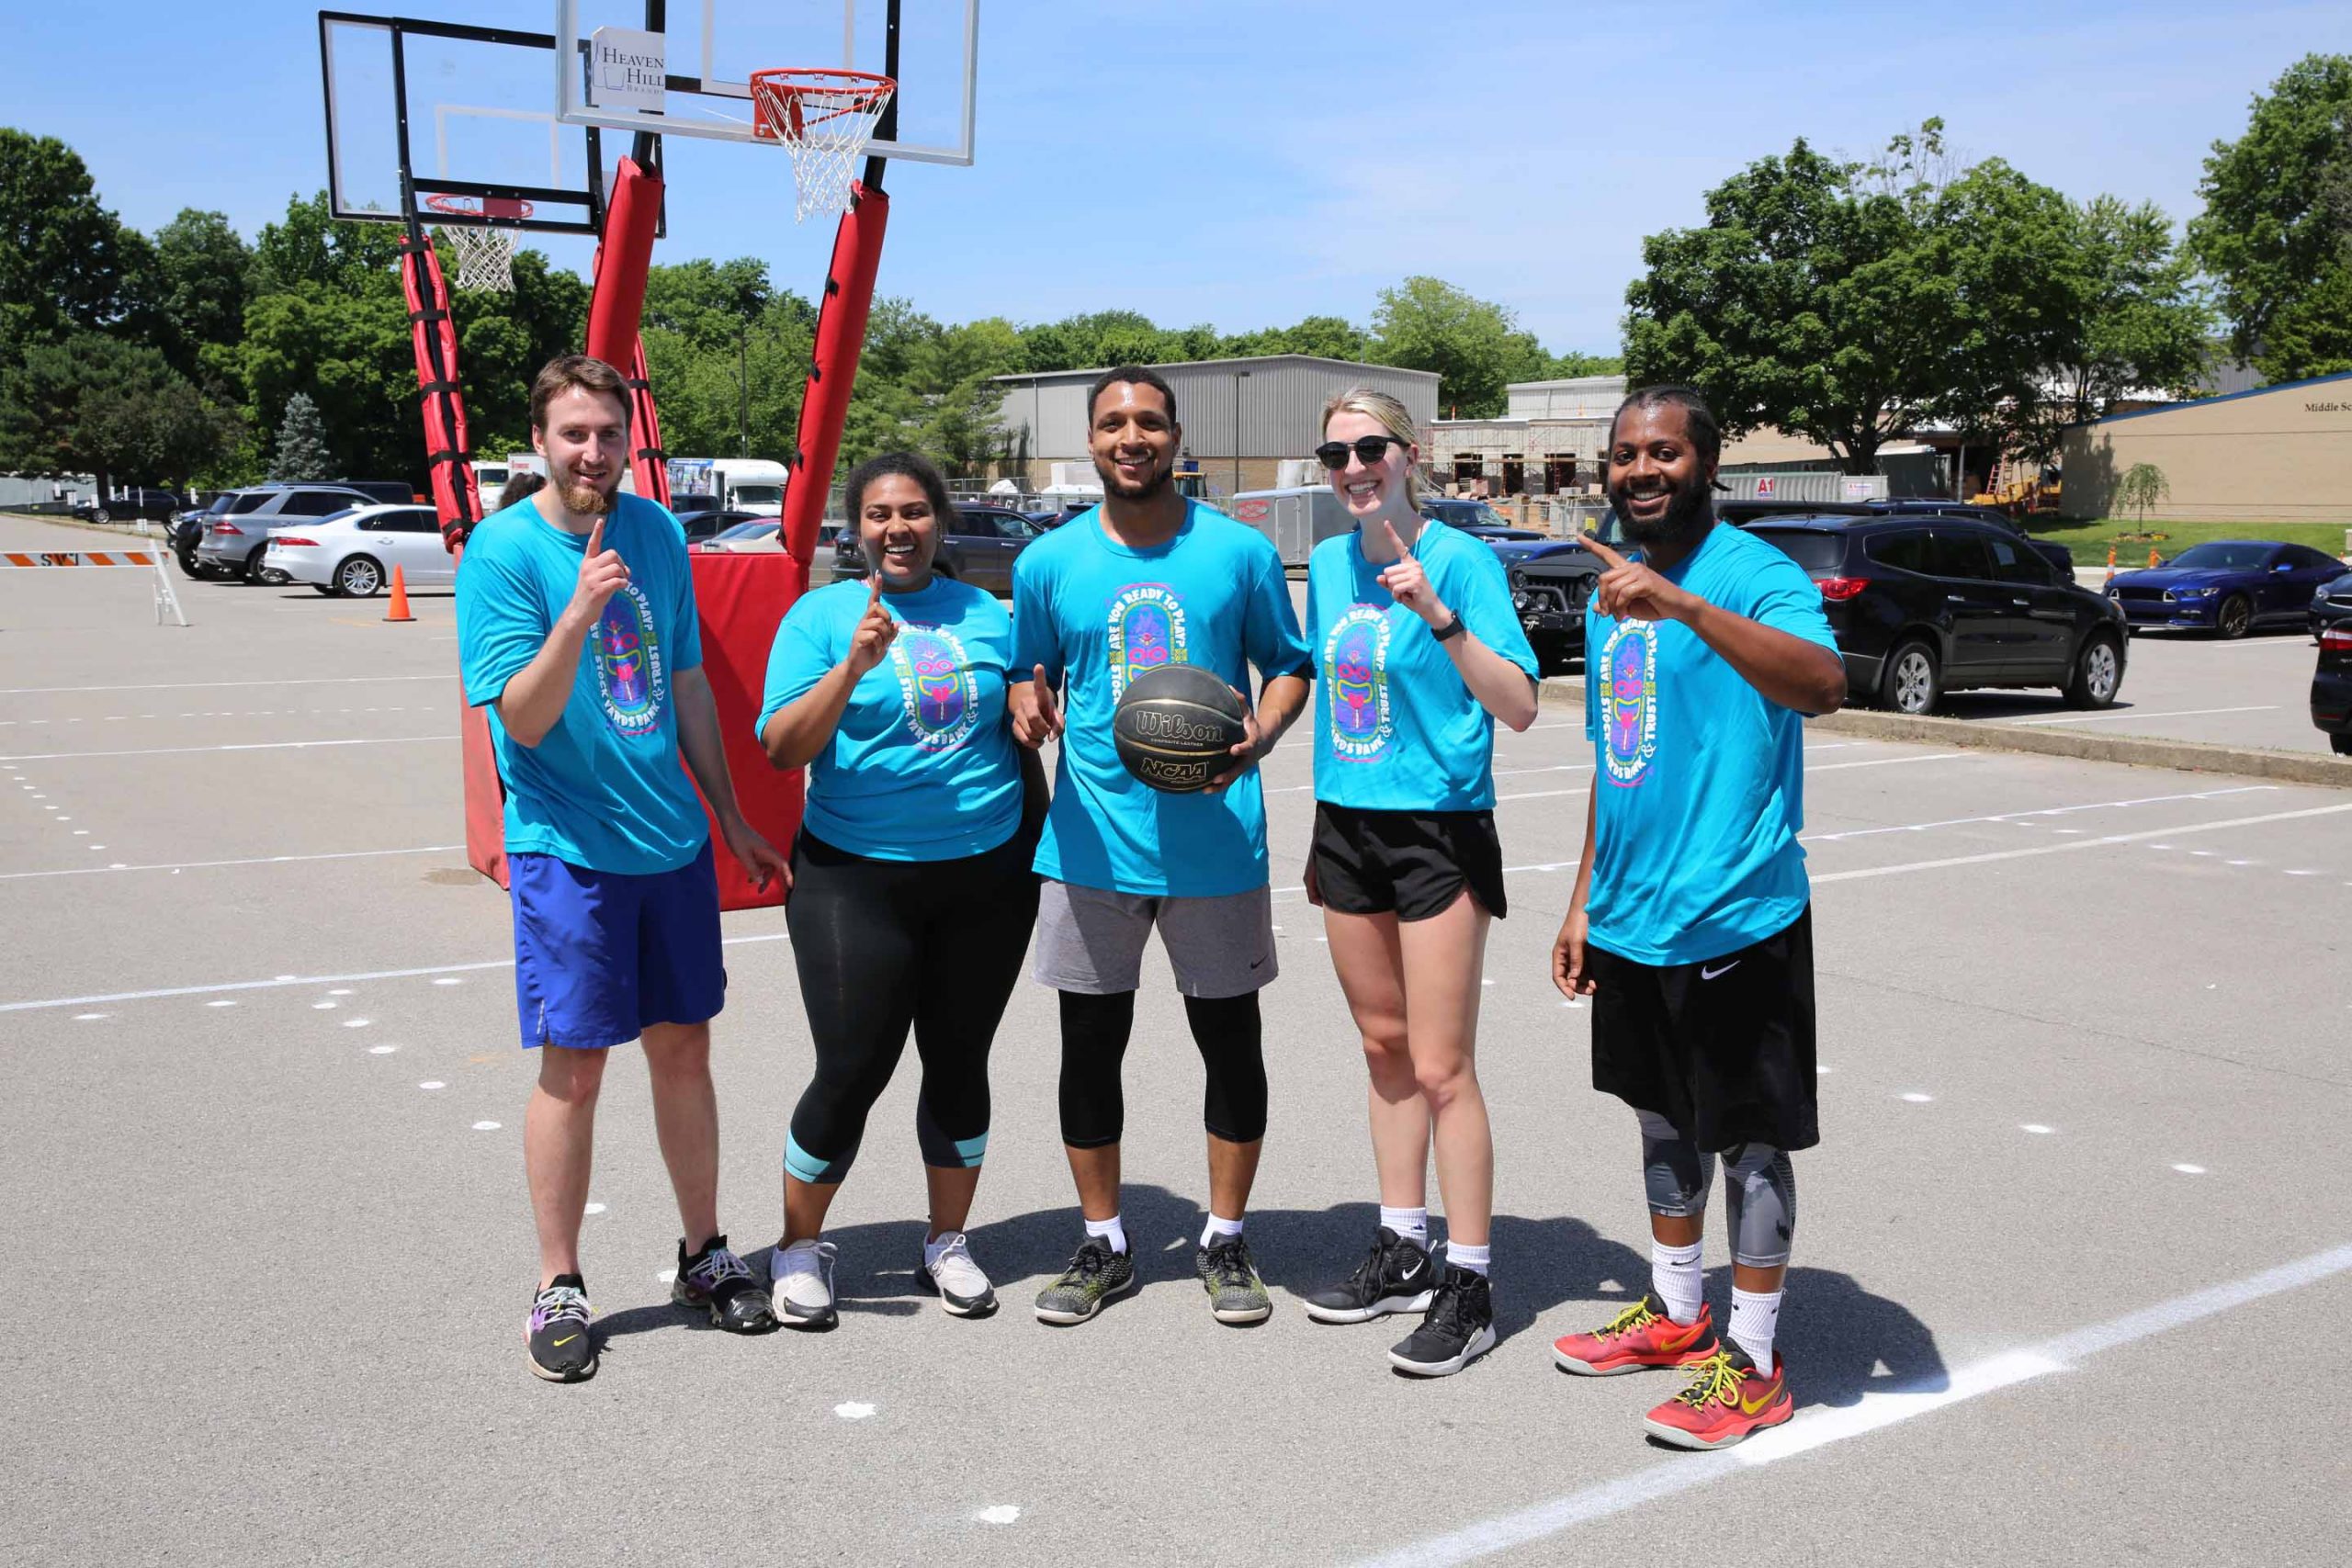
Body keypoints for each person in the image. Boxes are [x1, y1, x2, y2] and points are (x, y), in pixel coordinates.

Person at [457, 353, 792, 1383]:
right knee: (575, 1068)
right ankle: (558, 1284)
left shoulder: (655, 531)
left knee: (684, 1051)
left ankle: (704, 1253)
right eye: (574, 434)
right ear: (539, 442)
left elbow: (686, 682)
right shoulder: (503, 552)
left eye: (609, 433)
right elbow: (520, 717)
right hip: (570, 851)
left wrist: (729, 816)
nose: (593, 452)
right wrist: (575, 613)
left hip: (671, 844)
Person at [1548, 385, 1846, 1448]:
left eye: (1664, 453)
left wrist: (1680, 607)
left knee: (1749, 1141)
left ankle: (1755, 1364)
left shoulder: (1752, 575)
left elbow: (1822, 684)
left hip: (1735, 914)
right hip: (1633, 916)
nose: (1641, 470)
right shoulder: (1608, 595)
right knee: (1660, 1119)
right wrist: (1583, 899)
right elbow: (1616, 756)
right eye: (1626, 453)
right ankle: (1678, 1314)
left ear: (1708, 466)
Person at [1008, 366, 1313, 1327]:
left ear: (1177, 439)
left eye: (1148, 421)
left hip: (1215, 843)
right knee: (1089, 1048)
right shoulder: (1047, 562)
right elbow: (1027, 670)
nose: (1130, 437)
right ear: (1091, 441)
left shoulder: (1239, 553)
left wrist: (1261, 733)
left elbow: (1289, 668)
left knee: (1230, 1042)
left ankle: (1225, 1237)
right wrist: (1025, 699)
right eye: (1112, 423)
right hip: (1089, 845)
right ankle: (1104, 1241)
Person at [755, 452, 1040, 1328]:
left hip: (985, 874)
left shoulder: (987, 613)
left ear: (940, 521)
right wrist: (850, 667)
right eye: (879, 515)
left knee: (959, 1059)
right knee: (851, 1067)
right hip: (855, 876)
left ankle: (946, 1241)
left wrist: (1026, 702)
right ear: (856, 530)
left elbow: (1023, 695)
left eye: (914, 511)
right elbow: (781, 747)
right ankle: (798, 1246)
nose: (898, 528)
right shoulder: (819, 616)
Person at [1296, 388, 1539, 1376]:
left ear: (1409, 453)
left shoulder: (1463, 561)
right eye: (1335, 453)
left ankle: (1470, 1286)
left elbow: (1518, 705)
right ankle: (1402, 1246)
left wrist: (1438, 616)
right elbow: (1326, 693)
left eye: (1370, 448)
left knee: (1443, 1067)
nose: (1353, 467)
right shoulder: (1325, 565)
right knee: (1383, 1048)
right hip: (1346, 823)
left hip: (1439, 831)